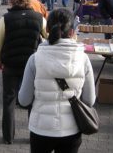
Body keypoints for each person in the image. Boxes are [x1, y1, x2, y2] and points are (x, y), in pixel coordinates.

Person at [18, 8, 96, 153]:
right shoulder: (83, 59)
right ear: (72, 32)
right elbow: (90, 100)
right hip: (71, 129)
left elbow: (24, 100)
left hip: (40, 128)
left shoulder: (35, 59)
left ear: (47, 29)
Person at [0, 0, 44, 144]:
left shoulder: (5, 19)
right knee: (32, 100)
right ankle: (33, 135)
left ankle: (8, 136)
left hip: (10, 64)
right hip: (33, 64)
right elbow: (49, 37)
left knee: (9, 99)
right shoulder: (39, 17)